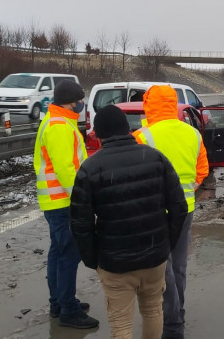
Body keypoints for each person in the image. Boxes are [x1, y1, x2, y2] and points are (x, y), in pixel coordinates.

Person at [71, 105, 188, 339]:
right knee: (154, 311)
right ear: (128, 129)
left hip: (115, 262)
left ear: (100, 133)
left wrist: (94, 260)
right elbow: (179, 207)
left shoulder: (90, 168)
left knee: (121, 324)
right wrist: (166, 243)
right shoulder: (155, 158)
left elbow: (80, 223)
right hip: (154, 257)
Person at [132, 85, 209, 339]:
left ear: (149, 104)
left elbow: (135, 178)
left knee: (162, 270)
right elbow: (202, 172)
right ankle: (179, 311)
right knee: (178, 266)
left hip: (155, 212)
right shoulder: (193, 133)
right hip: (185, 209)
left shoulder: (142, 136)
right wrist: (186, 191)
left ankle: (173, 323)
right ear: (174, 103)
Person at [33, 79, 99, 329]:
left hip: (55, 200)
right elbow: (65, 170)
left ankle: (58, 303)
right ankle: (68, 310)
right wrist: (81, 200)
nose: (81, 104)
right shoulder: (60, 126)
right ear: (70, 102)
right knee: (69, 255)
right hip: (63, 201)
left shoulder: (57, 121)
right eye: (79, 100)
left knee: (58, 253)